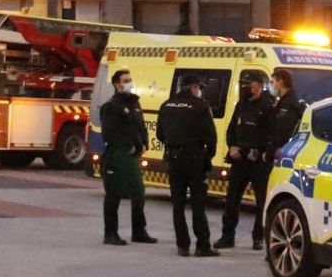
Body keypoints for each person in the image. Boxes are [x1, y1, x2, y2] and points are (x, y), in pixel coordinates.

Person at [156, 73, 219, 257]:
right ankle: (202, 245)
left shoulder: (166, 105)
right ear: (193, 87)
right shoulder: (201, 106)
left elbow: (160, 134)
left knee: (178, 204)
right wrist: (207, 156)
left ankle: (182, 245)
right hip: (194, 159)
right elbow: (211, 136)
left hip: (174, 159)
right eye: (198, 88)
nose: (199, 91)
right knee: (198, 204)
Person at [220, 72, 277, 250]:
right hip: (240, 161)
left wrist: (259, 151)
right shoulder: (241, 106)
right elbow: (231, 130)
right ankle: (227, 236)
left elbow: (271, 135)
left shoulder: (268, 107)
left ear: (259, 86)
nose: (246, 88)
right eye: (245, 85)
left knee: (261, 202)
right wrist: (232, 147)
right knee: (232, 200)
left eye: (249, 85)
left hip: (258, 163)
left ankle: (258, 237)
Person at [98, 69, 155, 246]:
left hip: (132, 156)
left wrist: (144, 143)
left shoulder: (134, 104)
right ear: (117, 84)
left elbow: (140, 127)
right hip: (117, 154)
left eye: (130, 79)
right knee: (113, 194)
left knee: (138, 193)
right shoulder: (111, 106)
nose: (129, 82)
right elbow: (110, 132)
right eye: (125, 80)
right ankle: (110, 233)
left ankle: (139, 230)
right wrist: (128, 146)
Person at [268, 67, 306, 160]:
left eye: (273, 82)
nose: (271, 86)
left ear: (280, 82)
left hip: (283, 152)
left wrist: (270, 152)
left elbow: (281, 131)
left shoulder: (289, 103)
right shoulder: (284, 101)